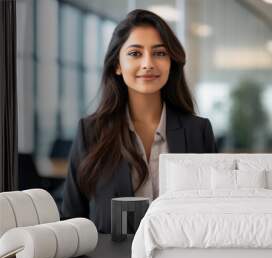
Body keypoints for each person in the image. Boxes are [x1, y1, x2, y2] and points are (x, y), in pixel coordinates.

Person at [61, 9, 217, 233]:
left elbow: (215, 217)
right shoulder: (91, 132)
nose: (148, 63)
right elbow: (71, 223)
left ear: (171, 62)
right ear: (117, 64)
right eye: (135, 53)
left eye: (160, 53)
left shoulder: (198, 131)